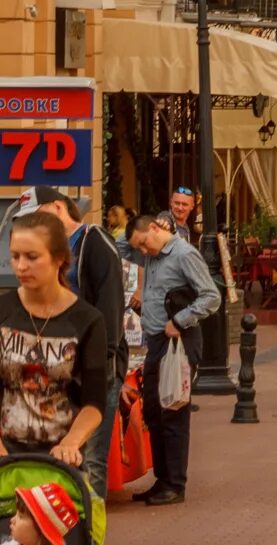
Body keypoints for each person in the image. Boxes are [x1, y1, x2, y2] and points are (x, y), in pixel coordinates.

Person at [13, 189, 125, 502]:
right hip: (56, 369)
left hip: (92, 368)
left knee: (88, 458)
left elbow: (110, 308)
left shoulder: (95, 242)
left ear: (59, 208)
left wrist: (102, 364)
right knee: (54, 458)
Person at [125, 214, 221, 505]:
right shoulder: (153, 256)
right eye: (138, 248)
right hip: (156, 341)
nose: (143, 251)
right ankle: (162, 478)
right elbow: (124, 243)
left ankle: (175, 483)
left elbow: (211, 296)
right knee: (153, 411)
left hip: (178, 340)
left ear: (155, 228)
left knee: (173, 411)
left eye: (143, 243)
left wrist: (180, 321)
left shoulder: (184, 254)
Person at [0, 213, 106, 467]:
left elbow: (94, 403)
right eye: (15, 257)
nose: (21, 266)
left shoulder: (87, 319)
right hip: (5, 455)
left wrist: (71, 442)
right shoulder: (3, 309)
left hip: (59, 460)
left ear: (59, 258)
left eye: (32, 257)